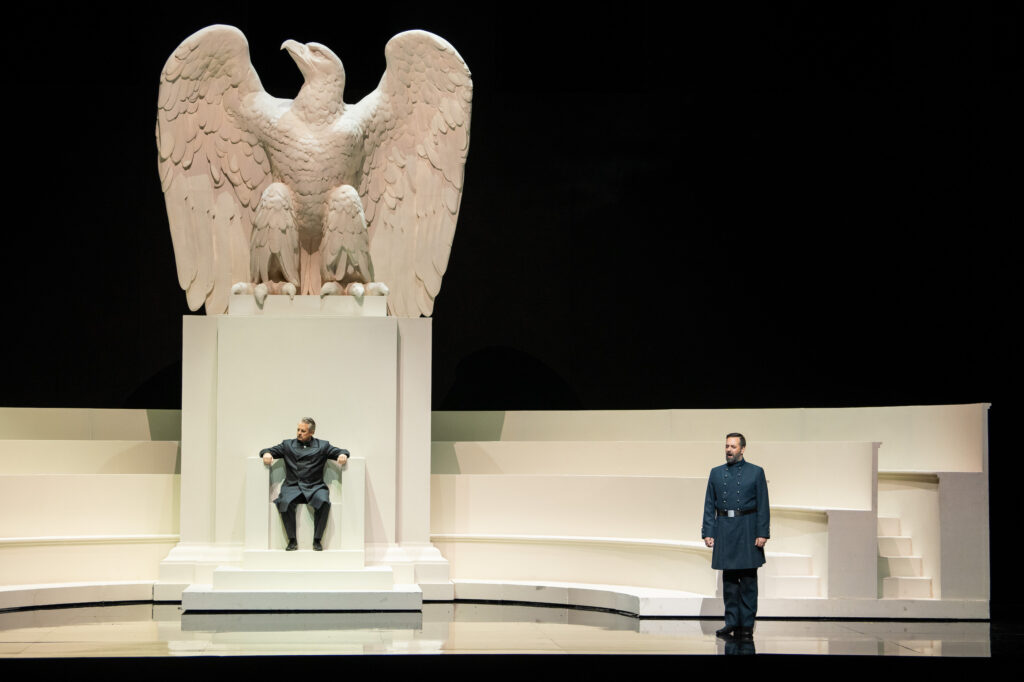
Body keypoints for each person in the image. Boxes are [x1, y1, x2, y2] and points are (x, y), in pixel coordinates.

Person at [701, 432, 770, 641]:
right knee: (729, 581)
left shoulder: (756, 472)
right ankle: (731, 622)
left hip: (748, 528)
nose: (729, 450)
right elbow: (709, 505)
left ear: (742, 449)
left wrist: (762, 532)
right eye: (727, 446)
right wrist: (708, 532)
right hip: (724, 528)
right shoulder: (716, 473)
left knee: (748, 580)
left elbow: (763, 505)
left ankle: (747, 624)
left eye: (733, 446)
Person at [260, 417, 349, 551]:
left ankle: (317, 540)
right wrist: (266, 453)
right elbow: (266, 450)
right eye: (298, 430)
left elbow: (342, 451)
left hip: (315, 486)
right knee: (285, 502)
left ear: (312, 432)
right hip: (293, 486)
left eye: (303, 431)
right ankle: (292, 540)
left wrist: (343, 455)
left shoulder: (322, 446)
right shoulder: (288, 445)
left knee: (324, 502)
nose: (299, 433)